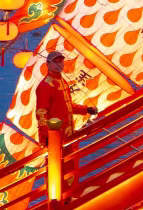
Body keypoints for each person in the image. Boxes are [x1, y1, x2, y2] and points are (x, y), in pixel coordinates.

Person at [34, 49, 98, 192]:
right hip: (55, 136)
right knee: (57, 168)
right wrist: (47, 137)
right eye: (55, 62)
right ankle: (59, 197)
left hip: (68, 134)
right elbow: (41, 114)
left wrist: (86, 109)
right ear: (48, 64)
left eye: (61, 61)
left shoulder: (62, 82)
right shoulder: (45, 86)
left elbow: (68, 106)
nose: (59, 64)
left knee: (70, 166)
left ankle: (70, 195)